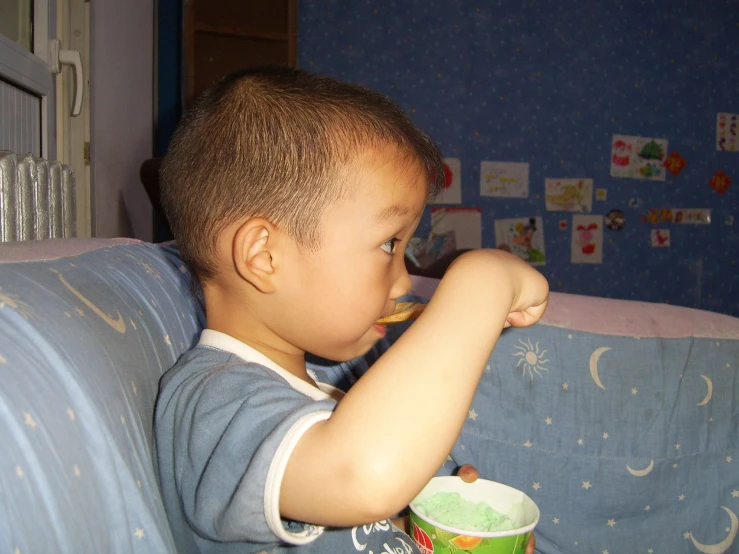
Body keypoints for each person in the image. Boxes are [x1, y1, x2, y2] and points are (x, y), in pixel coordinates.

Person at [154, 66, 548, 554]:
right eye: (389, 243)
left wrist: (421, 516)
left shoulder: (328, 398)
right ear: (265, 257)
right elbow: (360, 475)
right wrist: (482, 283)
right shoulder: (212, 402)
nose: (404, 279)